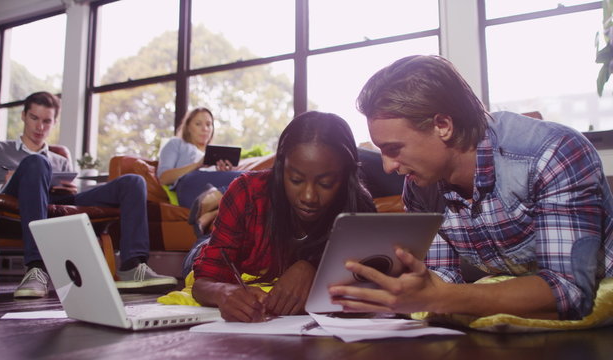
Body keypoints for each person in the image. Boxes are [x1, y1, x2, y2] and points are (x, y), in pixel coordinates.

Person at [328, 55, 613, 321]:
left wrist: (441, 298)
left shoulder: (551, 154)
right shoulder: (420, 188)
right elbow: (442, 279)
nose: (388, 167)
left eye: (393, 149)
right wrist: (406, 293)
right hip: (520, 314)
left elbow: (570, 291)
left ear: (443, 125)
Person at [0, 91, 177, 298]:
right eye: (34, 118)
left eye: (47, 121)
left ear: (54, 122)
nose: (40, 127)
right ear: (24, 116)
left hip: (54, 203)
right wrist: (6, 182)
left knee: (133, 182)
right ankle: (36, 268)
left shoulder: (59, 160)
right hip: (9, 203)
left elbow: (66, 199)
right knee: (37, 162)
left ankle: (134, 265)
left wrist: (70, 190)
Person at [190, 111, 377, 322]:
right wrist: (225, 293)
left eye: (325, 184)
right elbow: (204, 279)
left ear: (345, 177)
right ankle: (206, 216)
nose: (308, 197)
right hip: (213, 252)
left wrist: (314, 269)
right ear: (280, 167)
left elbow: (370, 277)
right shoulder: (247, 193)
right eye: (296, 180)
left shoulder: (358, 206)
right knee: (195, 257)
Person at [156, 107, 243, 234]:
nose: (205, 129)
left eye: (209, 124)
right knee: (248, 179)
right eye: (198, 124)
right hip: (189, 187)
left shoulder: (213, 153)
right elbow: (164, 177)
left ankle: (212, 212)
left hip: (212, 189)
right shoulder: (176, 144)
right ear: (188, 127)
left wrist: (222, 172)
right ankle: (215, 203)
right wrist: (198, 164)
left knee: (250, 192)